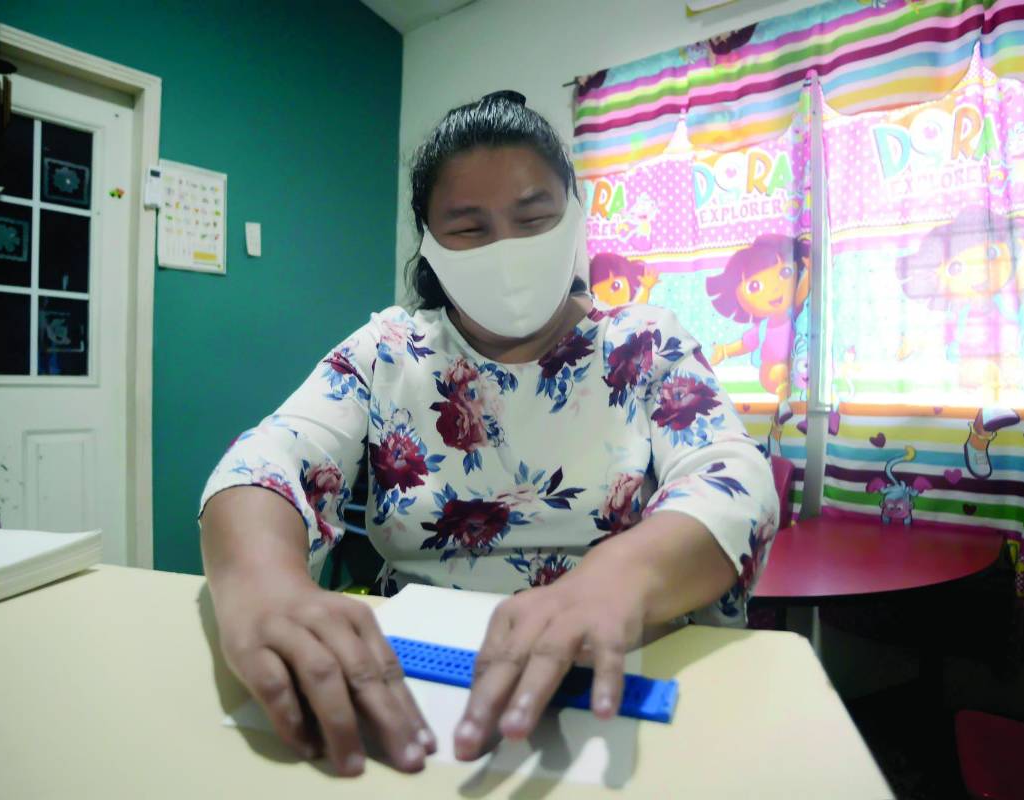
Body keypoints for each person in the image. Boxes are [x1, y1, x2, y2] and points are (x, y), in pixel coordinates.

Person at [199, 90, 777, 778]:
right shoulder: (390, 352)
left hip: (617, 678)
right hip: (412, 680)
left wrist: (615, 581)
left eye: (534, 218)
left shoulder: (643, 343)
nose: (507, 250)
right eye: (470, 228)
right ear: (429, 243)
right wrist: (263, 583)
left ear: (576, 216)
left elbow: (731, 477)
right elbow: (268, 459)